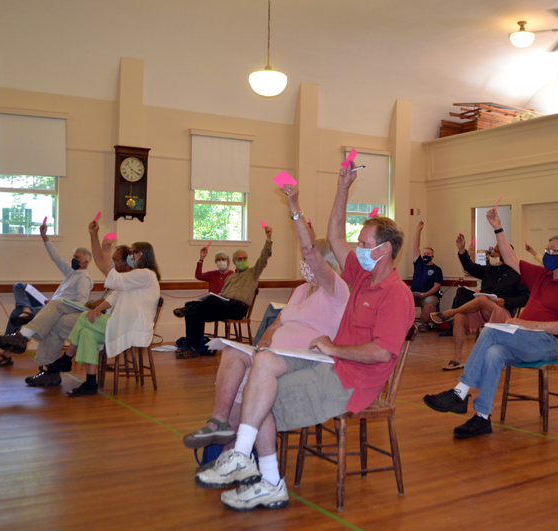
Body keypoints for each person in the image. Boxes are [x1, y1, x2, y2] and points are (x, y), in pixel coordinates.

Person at [194, 160, 414, 512]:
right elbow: (332, 235)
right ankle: (250, 465)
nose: (355, 248)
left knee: (260, 395)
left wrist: (333, 346)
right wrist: (341, 186)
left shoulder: (395, 293)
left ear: (384, 249)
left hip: (352, 381)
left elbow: (381, 354)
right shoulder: (360, 277)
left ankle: (260, 474)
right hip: (331, 365)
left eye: (364, 243)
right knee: (260, 368)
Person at [185, 185, 348, 458]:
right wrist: (263, 341)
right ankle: (220, 421)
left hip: (306, 360)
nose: (304, 263)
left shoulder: (336, 289)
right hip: (275, 353)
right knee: (233, 351)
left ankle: (234, 451)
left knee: (251, 376)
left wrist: (295, 207)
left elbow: (310, 252)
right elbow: (276, 324)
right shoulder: (300, 291)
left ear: (326, 261)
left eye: (310, 260)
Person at [423, 208, 558, 438]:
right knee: (493, 353)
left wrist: (527, 323)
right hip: (525, 339)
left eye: (553, 251)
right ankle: (482, 417)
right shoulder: (542, 275)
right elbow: (511, 258)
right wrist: (497, 227)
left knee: (491, 331)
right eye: (547, 250)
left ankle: (460, 392)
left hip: (549, 343)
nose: (548, 254)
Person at [62, 220, 162, 396]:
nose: (129, 256)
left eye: (132, 253)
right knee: (87, 333)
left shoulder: (145, 274)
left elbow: (114, 279)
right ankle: (91, 382)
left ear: (141, 255)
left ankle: (66, 358)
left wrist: (106, 251)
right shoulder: (136, 276)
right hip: (122, 323)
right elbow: (115, 293)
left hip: (133, 326)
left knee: (84, 319)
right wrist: (97, 309)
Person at [17, 245, 134, 387]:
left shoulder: (129, 280)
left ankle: (52, 365)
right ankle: (49, 369)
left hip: (108, 323)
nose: (112, 263)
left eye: (114, 260)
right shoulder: (117, 279)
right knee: (53, 318)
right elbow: (106, 300)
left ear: (126, 261)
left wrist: (93, 306)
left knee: (54, 316)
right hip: (96, 318)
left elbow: (101, 303)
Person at [0, 224, 94, 368]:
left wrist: (58, 303)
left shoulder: (84, 279)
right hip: (48, 304)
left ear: (86, 262)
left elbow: (81, 304)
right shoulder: (72, 273)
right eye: (74, 256)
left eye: (77, 258)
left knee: (15, 313)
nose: (73, 259)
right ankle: (26, 310)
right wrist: (44, 236)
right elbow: (56, 257)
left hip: (55, 308)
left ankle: (7, 352)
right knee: (19, 286)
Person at [430, 235, 530, 371]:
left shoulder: (518, 273)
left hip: (504, 315)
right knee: (460, 317)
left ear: (506, 254)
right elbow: (469, 267)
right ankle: (457, 359)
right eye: (493, 251)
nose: (492, 253)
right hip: (483, 312)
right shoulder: (489, 269)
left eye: (496, 251)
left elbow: (525, 298)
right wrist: (461, 250)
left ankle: (450, 313)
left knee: (482, 300)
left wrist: (506, 301)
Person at [176, 227, 273, 359]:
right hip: (225, 305)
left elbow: (263, 259)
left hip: (238, 308)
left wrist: (268, 239)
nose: (243, 260)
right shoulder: (231, 277)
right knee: (195, 311)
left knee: (208, 302)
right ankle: (192, 348)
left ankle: (190, 308)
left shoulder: (253, 273)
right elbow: (222, 295)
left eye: (245, 258)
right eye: (240, 259)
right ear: (234, 261)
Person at [173, 248, 234, 320]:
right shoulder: (213, 274)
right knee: (190, 306)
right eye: (218, 260)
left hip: (224, 305)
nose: (221, 261)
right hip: (210, 305)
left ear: (227, 261)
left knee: (195, 307)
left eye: (223, 259)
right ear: (216, 262)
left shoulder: (232, 275)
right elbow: (198, 275)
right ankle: (191, 331)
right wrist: (201, 259)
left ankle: (189, 309)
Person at [411, 220, 443, 332]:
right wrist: (418, 230)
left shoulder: (437, 269)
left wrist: (425, 294)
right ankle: (406, 325)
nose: (425, 255)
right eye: (424, 253)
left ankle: (422, 325)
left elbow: (436, 287)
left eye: (428, 254)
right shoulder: (418, 263)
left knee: (429, 305)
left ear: (432, 256)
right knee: (402, 300)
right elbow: (416, 246)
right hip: (414, 294)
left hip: (428, 295)